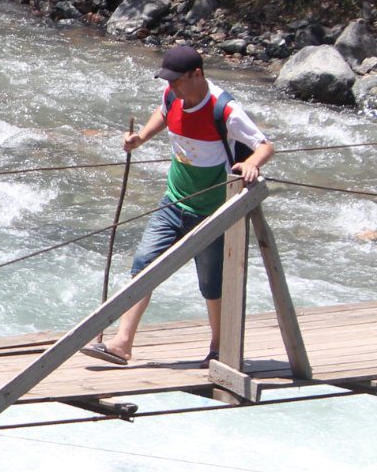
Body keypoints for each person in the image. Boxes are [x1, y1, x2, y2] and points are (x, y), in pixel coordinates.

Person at [88, 43, 273, 365]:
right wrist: (141, 138)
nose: (170, 85)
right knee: (144, 265)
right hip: (174, 202)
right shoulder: (173, 96)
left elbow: (264, 145)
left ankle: (218, 348)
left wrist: (252, 164)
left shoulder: (224, 109)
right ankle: (122, 343)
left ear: (197, 74)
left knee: (211, 284)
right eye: (168, 80)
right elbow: (162, 113)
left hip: (214, 211)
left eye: (176, 79)